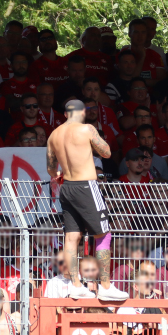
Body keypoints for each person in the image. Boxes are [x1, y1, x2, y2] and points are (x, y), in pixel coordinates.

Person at [47, 99, 128, 300]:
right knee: (103, 235)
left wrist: (59, 172)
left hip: (66, 187)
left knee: (72, 237)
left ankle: (74, 285)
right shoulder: (87, 129)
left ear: (65, 114)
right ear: (82, 112)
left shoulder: (53, 135)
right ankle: (106, 287)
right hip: (86, 185)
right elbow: (107, 153)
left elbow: (50, 167)